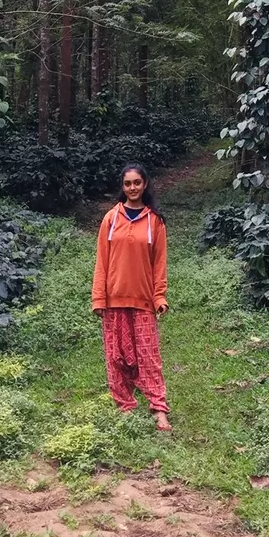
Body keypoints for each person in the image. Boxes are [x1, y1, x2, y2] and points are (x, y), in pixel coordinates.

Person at [91, 162, 172, 431]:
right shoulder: (110, 219)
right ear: (122, 187)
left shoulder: (155, 222)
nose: (132, 188)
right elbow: (102, 261)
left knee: (149, 357)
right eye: (127, 184)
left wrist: (159, 297)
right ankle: (125, 404)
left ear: (145, 184)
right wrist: (99, 298)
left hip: (143, 300)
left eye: (137, 182)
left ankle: (159, 409)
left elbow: (159, 264)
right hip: (114, 299)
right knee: (117, 356)